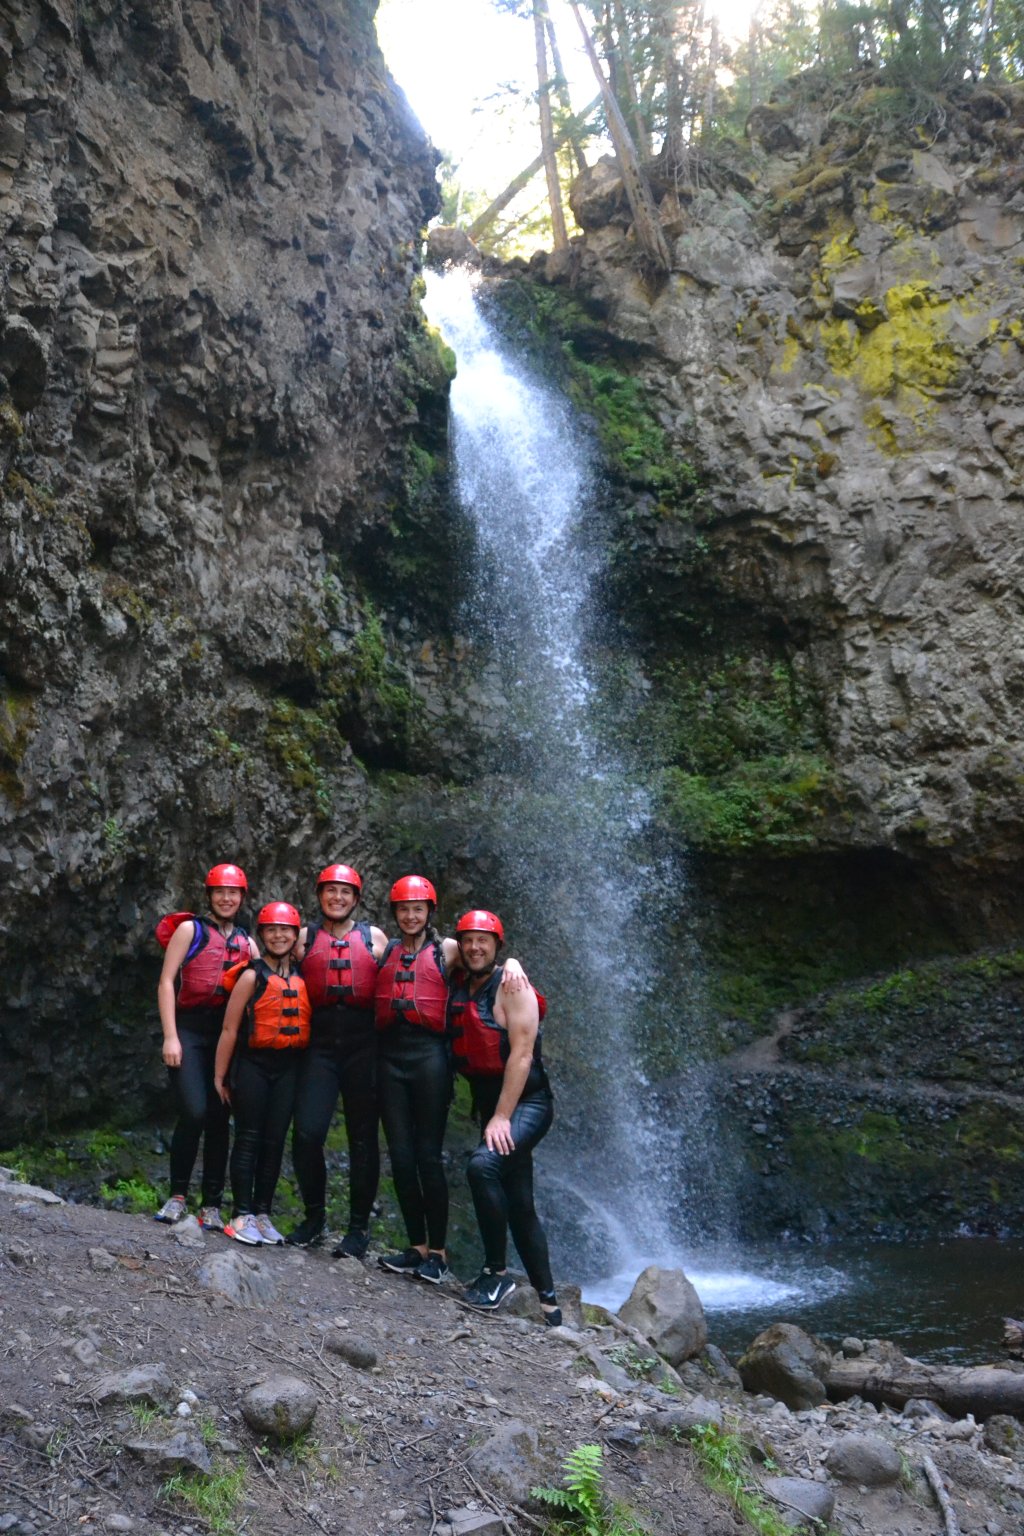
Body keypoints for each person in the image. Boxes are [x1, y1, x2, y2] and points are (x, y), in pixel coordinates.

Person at [374, 876, 527, 1285]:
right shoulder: (384, 948)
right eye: (404, 909)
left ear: (429, 912)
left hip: (430, 1060)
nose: (410, 915)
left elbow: (488, 955)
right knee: (401, 1157)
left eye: (418, 908)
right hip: (390, 1059)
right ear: (395, 913)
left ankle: (438, 1254)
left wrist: (514, 962)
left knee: (427, 1156)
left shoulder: (447, 949)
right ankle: (417, 1246)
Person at [449, 909, 560, 1325]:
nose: (475, 947)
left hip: (527, 1104)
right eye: (469, 940)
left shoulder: (513, 987)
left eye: (485, 941)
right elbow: (443, 945)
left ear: (498, 946)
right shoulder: (462, 976)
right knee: (521, 1203)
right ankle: (549, 1304)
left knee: (483, 1167)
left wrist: (500, 1117)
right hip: (496, 1106)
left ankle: (496, 1274)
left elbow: (522, 1055)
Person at [287, 863, 388, 1254]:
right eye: (331, 891)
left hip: (365, 1047)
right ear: (319, 896)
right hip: (320, 1047)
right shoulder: (302, 938)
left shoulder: (375, 938)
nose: (338, 897)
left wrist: (510, 964)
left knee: (363, 1140)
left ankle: (358, 1229)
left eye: (345, 892)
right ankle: (315, 1217)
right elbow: (266, 963)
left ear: (357, 899)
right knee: (308, 1133)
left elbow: (436, 955)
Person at [154, 862, 257, 1229]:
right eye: (220, 892)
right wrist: (171, 1036)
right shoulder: (190, 930)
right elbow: (167, 982)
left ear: (242, 897)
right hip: (190, 1031)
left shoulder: (248, 942)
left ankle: (211, 1203)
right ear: (210, 895)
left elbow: (263, 989)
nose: (226, 898)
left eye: (233, 892)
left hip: (226, 1036)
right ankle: (178, 1195)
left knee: (218, 1118)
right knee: (194, 1111)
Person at [213, 902, 311, 1246]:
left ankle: (263, 1213)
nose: (279, 935)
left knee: (274, 1141)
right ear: (262, 935)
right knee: (249, 1138)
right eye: (272, 930)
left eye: (286, 930)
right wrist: (219, 1077)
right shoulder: (252, 976)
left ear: (295, 936)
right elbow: (229, 1029)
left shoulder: (302, 976)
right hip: (252, 1066)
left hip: (287, 1070)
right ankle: (241, 1214)